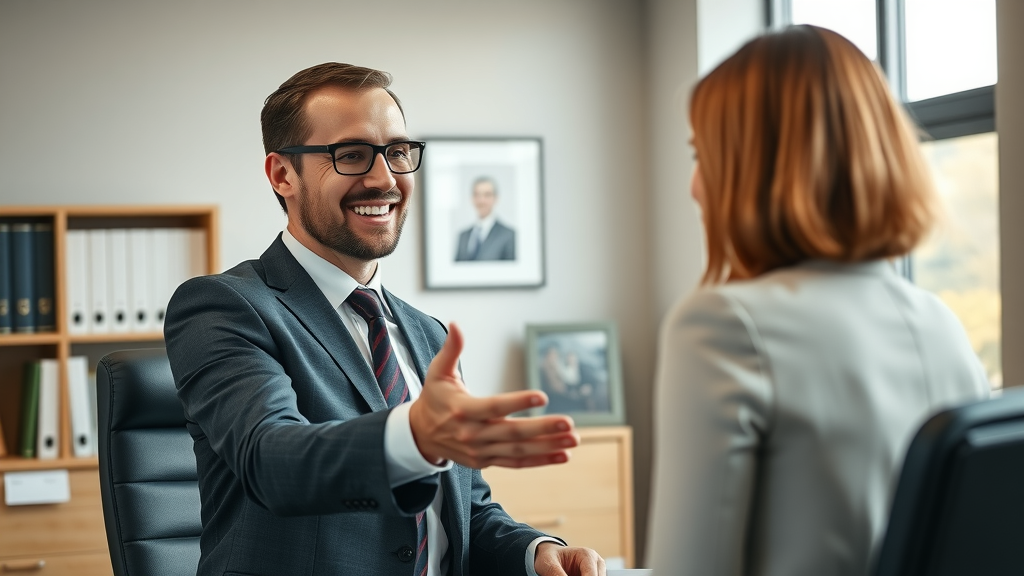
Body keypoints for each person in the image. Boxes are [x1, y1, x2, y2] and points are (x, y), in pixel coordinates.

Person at [164, 62, 604, 576]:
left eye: (397, 152)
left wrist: (534, 552)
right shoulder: (224, 306)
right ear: (283, 174)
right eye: (350, 156)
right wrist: (413, 436)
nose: (383, 178)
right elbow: (273, 462)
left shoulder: (429, 335)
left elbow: (465, 511)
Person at [646, 26, 989, 576]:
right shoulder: (940, 323)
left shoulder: (722, 326)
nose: (694, 187)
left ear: (756, 165)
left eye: (702, 156)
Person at [454, 176, 516, 261]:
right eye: (477, 195)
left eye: (487, 195)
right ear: (472, 199)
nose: (481, 200)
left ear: (495, 198)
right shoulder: (463, 236)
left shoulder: (509, 235)